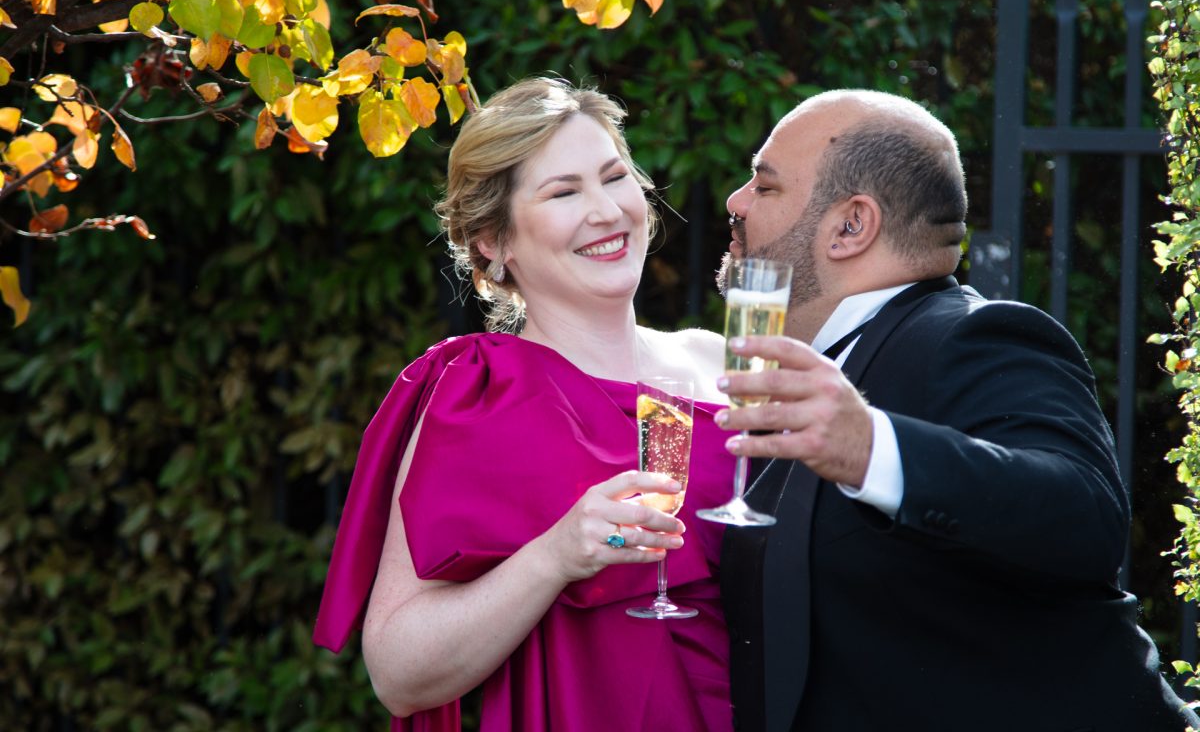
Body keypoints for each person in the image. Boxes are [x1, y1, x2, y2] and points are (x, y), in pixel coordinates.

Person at [713, 88, 1199, 731]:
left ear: (851, 226)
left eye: (765, 186)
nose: (735, 202)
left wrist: (872, 448)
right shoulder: (807, 377)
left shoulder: (974, 334)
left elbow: (1083, 514)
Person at [311, 77, 735, 731]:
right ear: (492, 242)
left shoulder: (721, 361)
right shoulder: (480, 396)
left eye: (614, 176)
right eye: (564, 192)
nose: (606, 210)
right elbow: (397, 674)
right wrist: (555, 557)